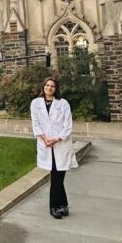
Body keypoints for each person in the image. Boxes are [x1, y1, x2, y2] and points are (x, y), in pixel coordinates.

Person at [30, 75, 77, 220]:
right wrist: (45, 139)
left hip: (60, 144)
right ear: (43, 87)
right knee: (56, 176)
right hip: (46, 144)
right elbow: (36, 123)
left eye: (52, 86)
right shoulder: (36, 103)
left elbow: (68, 125)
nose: (49, 88)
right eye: (47, 85)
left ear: (56, 89)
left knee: (58, 177)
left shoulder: (63, 104)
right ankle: (59, 206)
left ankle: (56, 206)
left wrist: (57, 139)